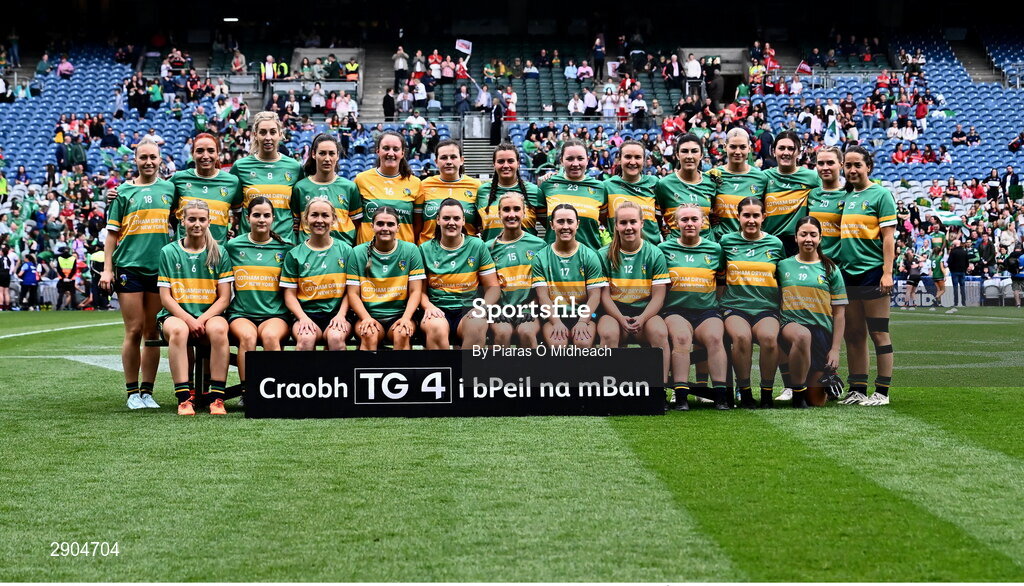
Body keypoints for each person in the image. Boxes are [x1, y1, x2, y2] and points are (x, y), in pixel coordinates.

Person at [99, 139, 172, 409]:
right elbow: (112, 235)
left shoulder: (170, 188)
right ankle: (131, 392)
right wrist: (108, 270)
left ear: (160, 159)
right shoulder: (123, 193)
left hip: (160, 270)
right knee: (134, 329)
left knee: (152, 332)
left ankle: (147, 391)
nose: (149, 162)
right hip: (129, 267)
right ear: (136, 160)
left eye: (153, 157)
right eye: (144, 157)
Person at [157, 199, 233, 416]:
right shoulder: (169, 251)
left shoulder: (219, 252)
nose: (196, 224)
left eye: (201, 219)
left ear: (209, 221)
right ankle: (184, 398)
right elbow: (165, 298)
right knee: (179, 330)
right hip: (175, 315)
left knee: (219, 329)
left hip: (210, 314)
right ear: (183, 221)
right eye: (192, 219)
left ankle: (217, 397)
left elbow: (224, 298)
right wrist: (190, 320)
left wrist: (201, 320)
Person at [837, 146, 897, 406]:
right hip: (848, 274)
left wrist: (887, 272)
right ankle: (857, 388)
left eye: (857, 165)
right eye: (848, 166)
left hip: (872, 273)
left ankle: (882, 392)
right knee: (853, 334)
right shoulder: (846, 196)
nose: (852, 170)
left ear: (868, 167)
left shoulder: (881, 194)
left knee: (879, 333)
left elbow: (888, 238)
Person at [659, 204, 729, 410]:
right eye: (684, 220)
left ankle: (720, 395)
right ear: (675, 223)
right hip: (675, 310)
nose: (689, 224)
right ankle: (681, 396)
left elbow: (721, 284)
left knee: (715, 338)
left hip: (707, 311)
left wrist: (713, 304)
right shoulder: (664, 249)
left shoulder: (715, 249)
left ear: (703, 222)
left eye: (694, 219)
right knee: (681, 338)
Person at [719, 196, 785, 409]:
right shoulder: (727, 242)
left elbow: (782, 278)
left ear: (763, 217)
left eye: (756, 215)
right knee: (741, 337)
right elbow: (719, 277)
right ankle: (745, 392)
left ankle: (767, 393)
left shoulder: (775, 244)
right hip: (735, 307)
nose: (751, 220)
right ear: (738, 217)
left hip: (766, 308)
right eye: (746, 215)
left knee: (769, 338)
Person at [223, 197, 292, 394]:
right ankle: (248, 392)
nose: (261, 219)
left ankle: (276, 391)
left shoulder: (285, 248)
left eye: (266, 215)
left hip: (275, 314)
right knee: (247, 337)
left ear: (273, 219)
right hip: (242, 313)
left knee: (270, 337)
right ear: (247, 217)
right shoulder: (233, 246)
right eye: (256, 215)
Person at [597, 201, 671, 382]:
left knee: (660, 333)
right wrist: (621, 319)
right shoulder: (603, 254)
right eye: (623, 223)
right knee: (608, 333)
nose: (628, 227)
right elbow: (604, 296)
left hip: (645, 313)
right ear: (615, 226)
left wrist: (643, 318)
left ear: (641, 223)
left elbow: (659, 296)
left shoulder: (654, 253)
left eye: (633, 222)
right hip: (614, 313)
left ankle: (658, 391)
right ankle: (609, 390)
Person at [778, 216, 847, 408]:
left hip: (821, 334)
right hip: (791, 327)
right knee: (802, 335)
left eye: (813, 235)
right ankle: (796, 391)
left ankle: (827, 378)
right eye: (803, 234)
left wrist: (835, 349)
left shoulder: (830, 268)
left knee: (817, 402)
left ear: (820, 238)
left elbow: (839, 313)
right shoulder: (783, 266)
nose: (808, 239)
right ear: (796, 238)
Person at [419, 198, 499, 349]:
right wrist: (428, 306)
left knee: (476, 325)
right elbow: (419, 291)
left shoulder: (477, 245)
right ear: (437, 220)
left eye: (456, 218)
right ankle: (445, 372)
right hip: (437, 309)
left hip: (468, 309)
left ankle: (467, 372)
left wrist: (482, 308)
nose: (451, 222)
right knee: (436, 328)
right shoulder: (425, 249)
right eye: (446, 218)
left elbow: (493, 287)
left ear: (463, 221)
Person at [347, 206, 425, 350]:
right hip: (368, 314)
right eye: (380, 224)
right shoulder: (357, 252)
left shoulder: (411, 250)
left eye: (390, 224)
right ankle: (367, 372)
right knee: (368, 333)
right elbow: (352, 293)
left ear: (398, 227)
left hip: (399, 314)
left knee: (403, 333)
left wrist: (406, 318)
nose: (385, 228)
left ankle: (402, 373)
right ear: (372, 226)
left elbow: (415, 291)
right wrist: (366, 318)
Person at [531, 204, 608, 348]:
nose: (565, 226)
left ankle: (585, 372)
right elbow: (543, 297)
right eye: (560, 221)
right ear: (552, 225)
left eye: (570, 221)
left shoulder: (589, 255)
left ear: (577, 224)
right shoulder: (540, 257)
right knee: (557, 344)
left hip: (583, 316)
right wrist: (556, 322)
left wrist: (582, 321)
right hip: (553, 317)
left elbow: (595, 296)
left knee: (583, 343)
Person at [281, 198, 352, 351]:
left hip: (337, 313)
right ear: (306, 219)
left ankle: (338, 376)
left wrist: (341, 315)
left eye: (325, 215)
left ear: (333, 219)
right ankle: (303, 376)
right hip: (306, 313)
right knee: (306, 339)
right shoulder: (294, 254)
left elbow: (351, 291)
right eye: (314, 215)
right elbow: (289, 295)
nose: (319, 220)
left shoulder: (346, 251)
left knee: (335, 337)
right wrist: (302, 318)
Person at [230, 112, 303, 244]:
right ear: (255, 135)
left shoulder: (295, 167)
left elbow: (299, 207)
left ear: (280, 134)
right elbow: (235, 209)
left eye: (273, 132)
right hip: (249, 244)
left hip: (285, 243)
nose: (268, 137)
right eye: (263, 132)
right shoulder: (240, 167)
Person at [486, 191, 546, 348]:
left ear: (524, 212)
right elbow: (483, 287)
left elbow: (546, 286)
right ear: (499, 213)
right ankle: (499, 373)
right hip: (500, 312)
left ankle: (531, 373)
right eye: (506, 210)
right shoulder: (488, 248)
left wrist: (532, 306)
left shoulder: (539, 245)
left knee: (526, 332)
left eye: (516, 209)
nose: (511, 214)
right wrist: (494, 309)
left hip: (529, 310)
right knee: (502, 333)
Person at [292, 134, 362, 245]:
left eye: (332, 153)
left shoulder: (349, 187)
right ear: (314, 154)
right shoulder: (300, 188)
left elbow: (357, 224)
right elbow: (295, 224)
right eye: (322, 153)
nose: (327, 159)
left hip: (342, 252)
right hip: (309, 253)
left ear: (337, 156)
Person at [170, 133, 241, 245]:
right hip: (183, 254)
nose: (205, 156)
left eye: (211, 151)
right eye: (199, 151)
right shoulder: (178, 179)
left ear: (218, 154)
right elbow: (167, 211)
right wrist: (178, 231)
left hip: (217, 253)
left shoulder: (232, 182)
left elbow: (239, 214)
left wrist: (232, 230)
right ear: (192, 154)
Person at [355, 130, 423, 244]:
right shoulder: (361, 180)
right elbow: (355, 222)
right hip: (368, 254)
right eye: (386, 148)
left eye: (395, 149)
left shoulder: (415, 183)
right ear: (378, 151)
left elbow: (418, 225)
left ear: (402, 153)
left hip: (402, 255)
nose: (390, 153)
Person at [540, 139, 607, 251]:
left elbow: (604, 221)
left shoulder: (600, 188)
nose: (575, 164)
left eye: (580, 158)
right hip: (554, 258)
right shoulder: (547, 185)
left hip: (590, 259)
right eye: (570, 159)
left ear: (587, 160)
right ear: (561, 160)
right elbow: (544, 221)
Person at [762, 131, 820, 256]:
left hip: (799, 244)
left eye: (791, 148)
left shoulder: (812, 177)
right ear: (774, 151)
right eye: (781, 148)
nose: (786, 153)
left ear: (799, 152)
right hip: (768, 242)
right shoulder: (763, 177)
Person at [655, 133, 717, 240]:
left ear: (701, 155)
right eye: (684, 151)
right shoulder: (664, 184)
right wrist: (667, 235)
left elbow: (715, 218)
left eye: (694, 151)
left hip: (707, 250)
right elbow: (656, 219)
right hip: (676, 251)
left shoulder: (711, 183)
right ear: (677, 155)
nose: (689, 156)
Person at [477, 143, 544, 241]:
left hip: (526, 255)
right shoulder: (482, 191)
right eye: (501, 161)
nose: (506, 165)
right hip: (491, 254)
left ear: (518, 163)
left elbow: (551, 228)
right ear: (494, 164)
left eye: (510, 161)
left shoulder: (534, 191)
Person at [418, 140, 480, 244]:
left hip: (466, 252)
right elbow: (416, 223)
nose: (449, 161)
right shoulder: (423, 185)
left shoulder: (476, 186)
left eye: (453, 157)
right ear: (436, 161)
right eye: (443, 157)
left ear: (461, 160)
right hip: (429, 252)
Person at [713, 128, 768, 240]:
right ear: (725, 147)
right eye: (733, 146)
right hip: (719, 243)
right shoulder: (713, 175)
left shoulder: (761, 178)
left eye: (742, 147)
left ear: (749, 148)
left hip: (749, 243)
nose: (737, 152)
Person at [604, 141, 660, 243]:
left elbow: (662, 218)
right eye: (628, 157)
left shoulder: (655, 183)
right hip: (618, 251)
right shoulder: (607, 186)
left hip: (651, 250)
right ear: (620, 160)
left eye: (638, 157)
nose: (633, 162)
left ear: (643, 161)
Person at [807, 146, 846, 260]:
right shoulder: (811, 194)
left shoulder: (849, 195)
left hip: (839, 264)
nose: (825, 167)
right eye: (820, 163)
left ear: (841, 165)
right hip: (813, 262)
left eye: (830, 163)